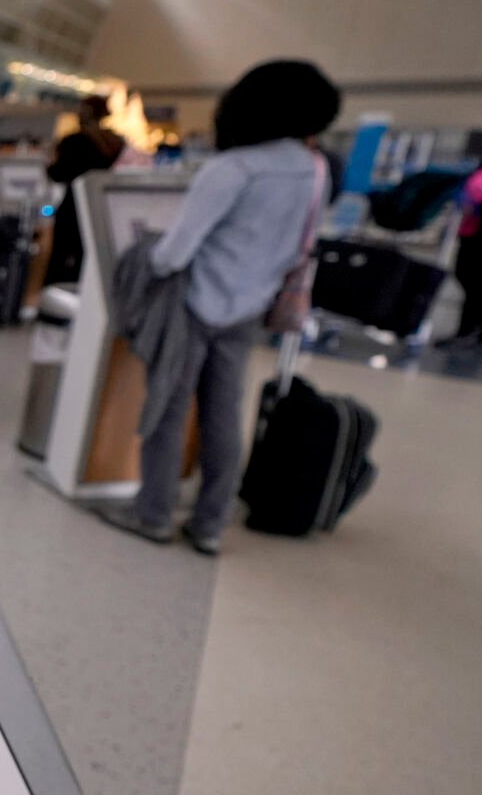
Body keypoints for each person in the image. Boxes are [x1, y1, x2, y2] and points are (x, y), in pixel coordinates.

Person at [100, 60, 342, 555]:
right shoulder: (313, 170)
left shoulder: (234, 168)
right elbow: (300, 245)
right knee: (223, 415)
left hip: (195, 305)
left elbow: (175, 253)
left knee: (168, 409)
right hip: (250, 306)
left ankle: (153, 513)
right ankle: (210, 523)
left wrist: (148, 258)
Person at [44, 95, 126, 285]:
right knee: (86, 256)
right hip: (98, 206)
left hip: (71, 206)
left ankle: (55, 293)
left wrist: (48, 163)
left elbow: (58, 173)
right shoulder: (115, 142)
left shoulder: (73, 141)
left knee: (60, 256)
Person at [443, 155, 482, 346]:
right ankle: (474, 329)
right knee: (467, 275)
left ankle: (472, 330)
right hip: (472, 230)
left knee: (477, 281)